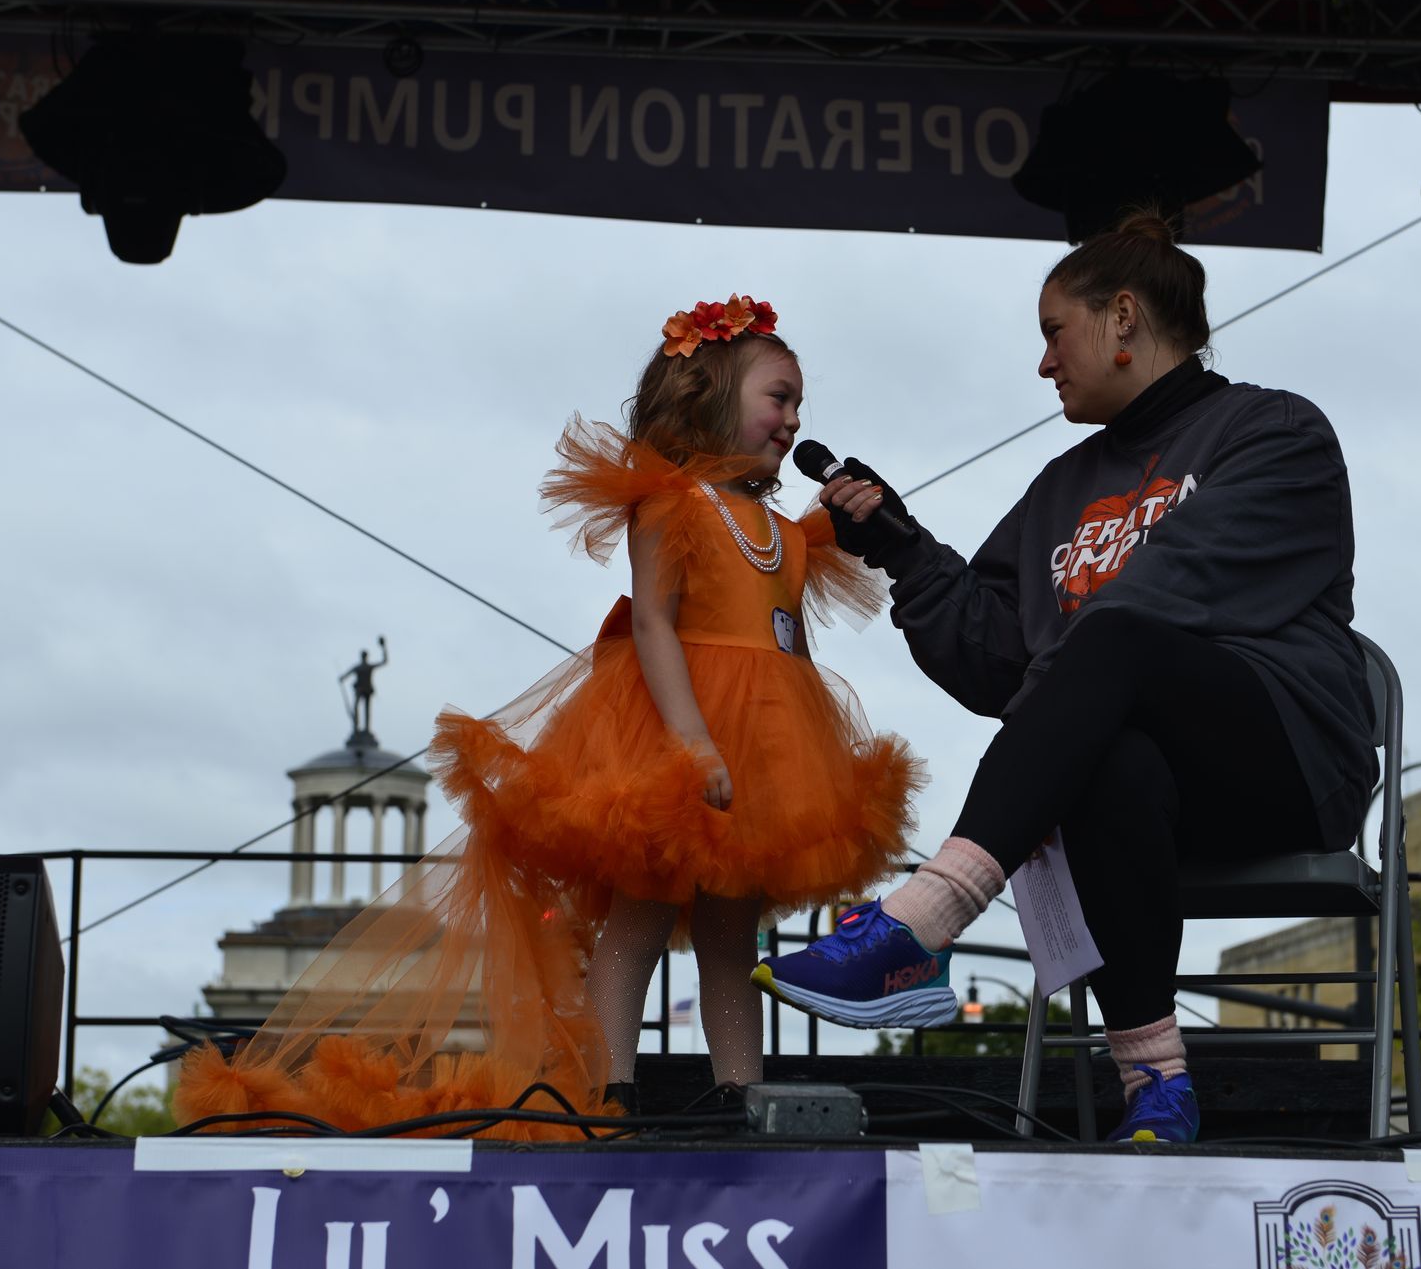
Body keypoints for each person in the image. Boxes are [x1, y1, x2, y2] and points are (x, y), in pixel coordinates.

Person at [175, 296, 921, 1136]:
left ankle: (737, 1091)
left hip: (769, 747)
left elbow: (789, 647)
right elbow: (651, 624)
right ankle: (607, 1086)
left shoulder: (787, 530)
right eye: (778, 397)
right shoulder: (669, 503)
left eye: (797, 404)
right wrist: (691, 741)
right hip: (675, 733)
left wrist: (798, 759)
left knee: (730, 931)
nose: (792, 418)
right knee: (637, 912)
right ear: (712, 395)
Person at [752, 213, 1379, 1145]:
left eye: (1054, 331)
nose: (1043, 363)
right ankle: (1156, 1080)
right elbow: (1001, 663)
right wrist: (905, 549)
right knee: (1109, 753)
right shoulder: (1060, 486)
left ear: (1123, 316)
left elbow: (1157, 604)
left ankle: (925, 920)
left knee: (1117, 641)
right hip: (1142, 786)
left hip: (1280, 758)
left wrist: (1069, 679)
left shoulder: (1274, 432)